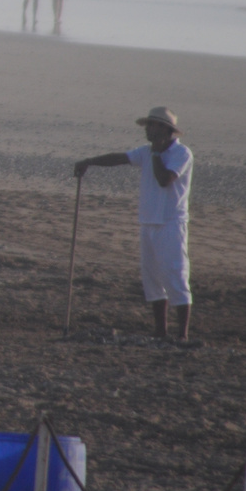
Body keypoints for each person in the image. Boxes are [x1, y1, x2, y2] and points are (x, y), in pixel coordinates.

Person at [74, 108, 194, 341]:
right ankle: (160, 332)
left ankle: (183, 335)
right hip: (148, 223)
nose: (147, 130)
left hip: (171, 223)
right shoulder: (146, 152)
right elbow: (120, 158)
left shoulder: (181, 153)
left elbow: (165, 180)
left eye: (152, 125)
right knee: (152, 278)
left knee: (176, 275)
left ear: (164, 129)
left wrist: (157, 155)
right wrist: (89, 162)